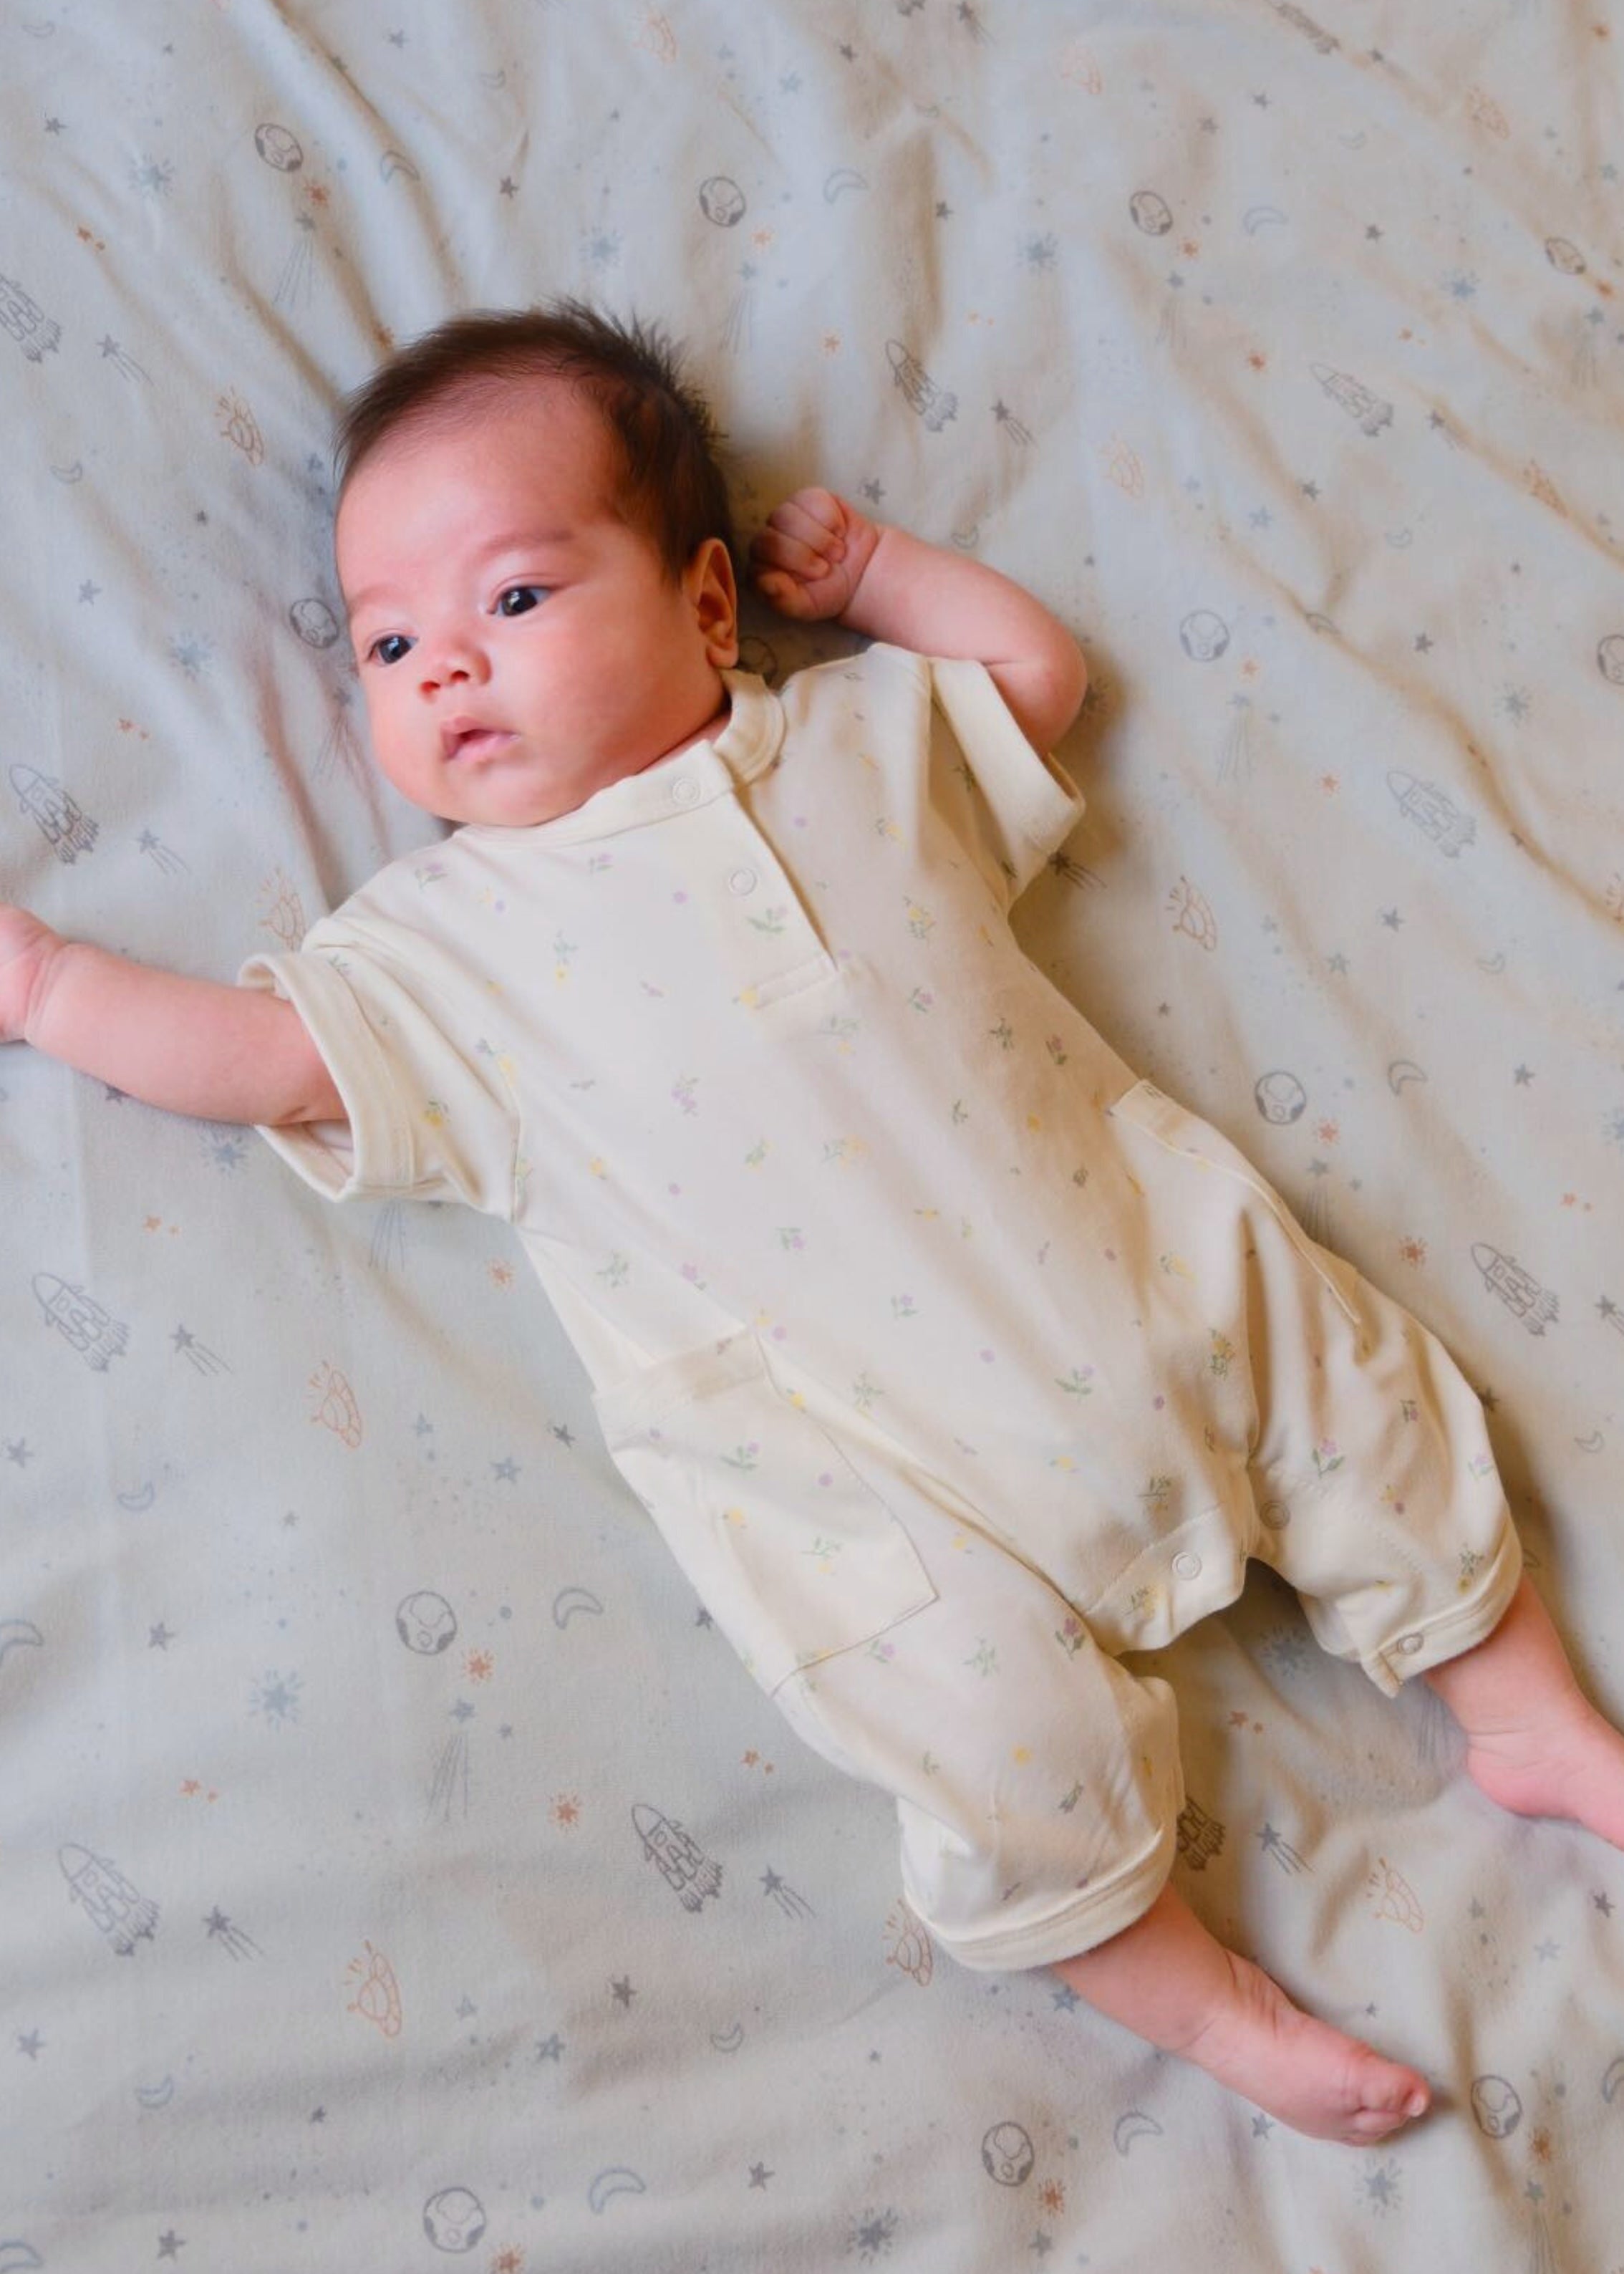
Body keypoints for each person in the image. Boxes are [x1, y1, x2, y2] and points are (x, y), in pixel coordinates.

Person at [4, 300, 1622, 2148]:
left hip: (1142, 1277)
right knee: (987, 1746)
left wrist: (877, 581)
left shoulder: (854, 741)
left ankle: (1531, 1716)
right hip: (867, 1478)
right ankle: (1213, 2005)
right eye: (389, 642)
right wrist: (49, 989)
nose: (446, 665)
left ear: (708, 607)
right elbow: (265, 1059)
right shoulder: (439, 954)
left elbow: (1032, 676)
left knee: (1358, 1407)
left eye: (514, 598)